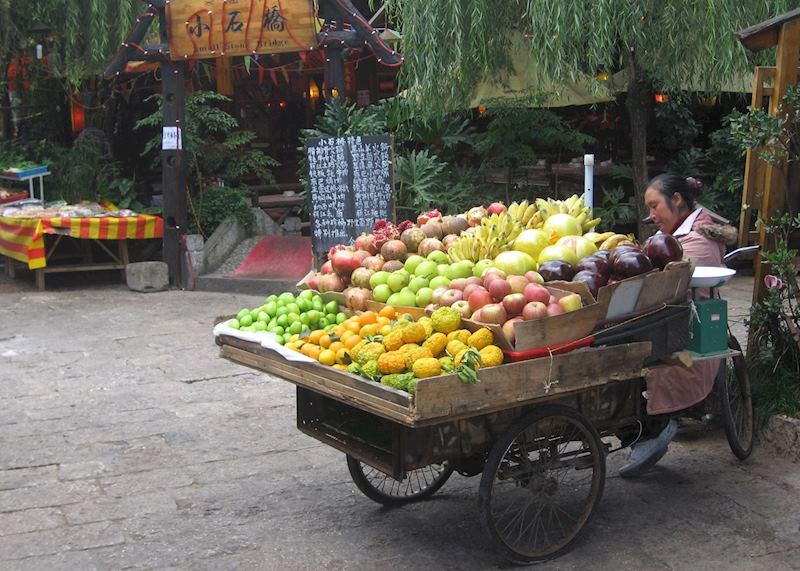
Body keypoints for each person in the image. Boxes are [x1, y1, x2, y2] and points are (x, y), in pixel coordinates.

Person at [619, 173, 738, 477]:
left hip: (683, 324)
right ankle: (641, 427)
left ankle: (653, 427)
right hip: (668, 316)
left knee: (626, 354)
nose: (651, 215)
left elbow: (668, 280)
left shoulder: (698, 238)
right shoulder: (677, 237)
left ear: (677, 200)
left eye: (654, 205)